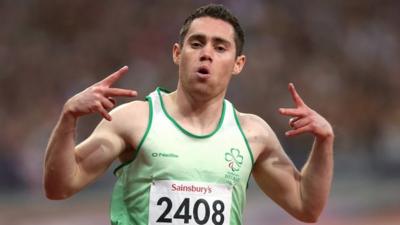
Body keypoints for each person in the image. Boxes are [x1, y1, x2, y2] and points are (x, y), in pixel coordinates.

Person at [43, 3, 334, 225]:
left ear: (238, 63)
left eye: (220, 47)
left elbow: (306, 206)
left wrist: (324, 142)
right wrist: (68, 118)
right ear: (177, 53)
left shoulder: (252, 133)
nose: (206, 53)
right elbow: (59, 187)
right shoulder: (134, 120)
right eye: (197, 43)